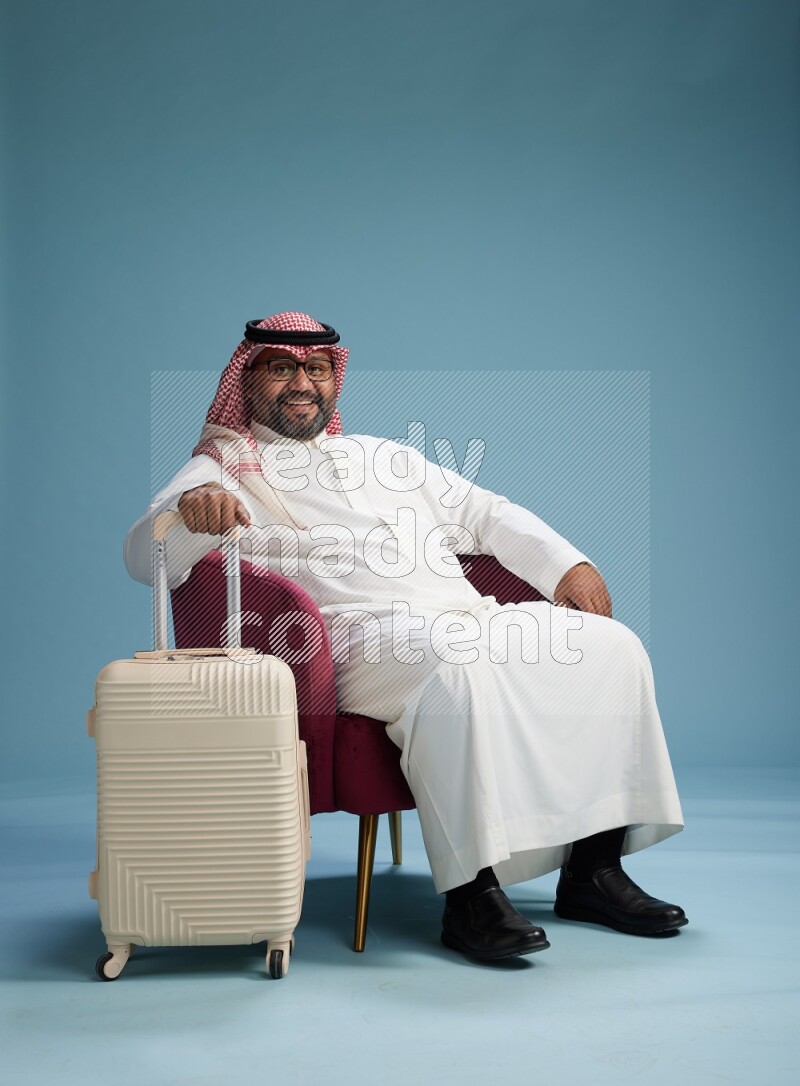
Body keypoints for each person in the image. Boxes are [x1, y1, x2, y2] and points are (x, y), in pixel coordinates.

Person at [125, 310, 687, 964]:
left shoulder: (382, 456)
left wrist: (568, 564)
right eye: (281, 368)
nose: (301, 382)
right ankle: (471, 895)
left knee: (610, 650)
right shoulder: (219, 469)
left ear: (334, 377)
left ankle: (593, 870)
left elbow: (485, 513)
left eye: (315, 368)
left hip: (465, 617)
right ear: (247, 380)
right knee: (456, 669)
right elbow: (146, 556)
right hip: (350, 644)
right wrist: (190, 516)